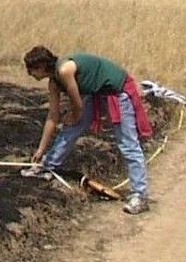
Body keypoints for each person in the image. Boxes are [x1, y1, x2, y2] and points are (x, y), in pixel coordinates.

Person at [22, 45, 153, 215]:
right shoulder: (54, 83)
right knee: (71, 128)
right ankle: (48, 166)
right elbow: (52, 117)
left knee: (128, 144)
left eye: (31, 70)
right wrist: (41, 150)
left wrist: (75, 117)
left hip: (117, 92)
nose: (29, 74)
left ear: (41, 67)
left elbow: (77, 105)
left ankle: (140, 195)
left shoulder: (64, 70)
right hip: (98, 92)